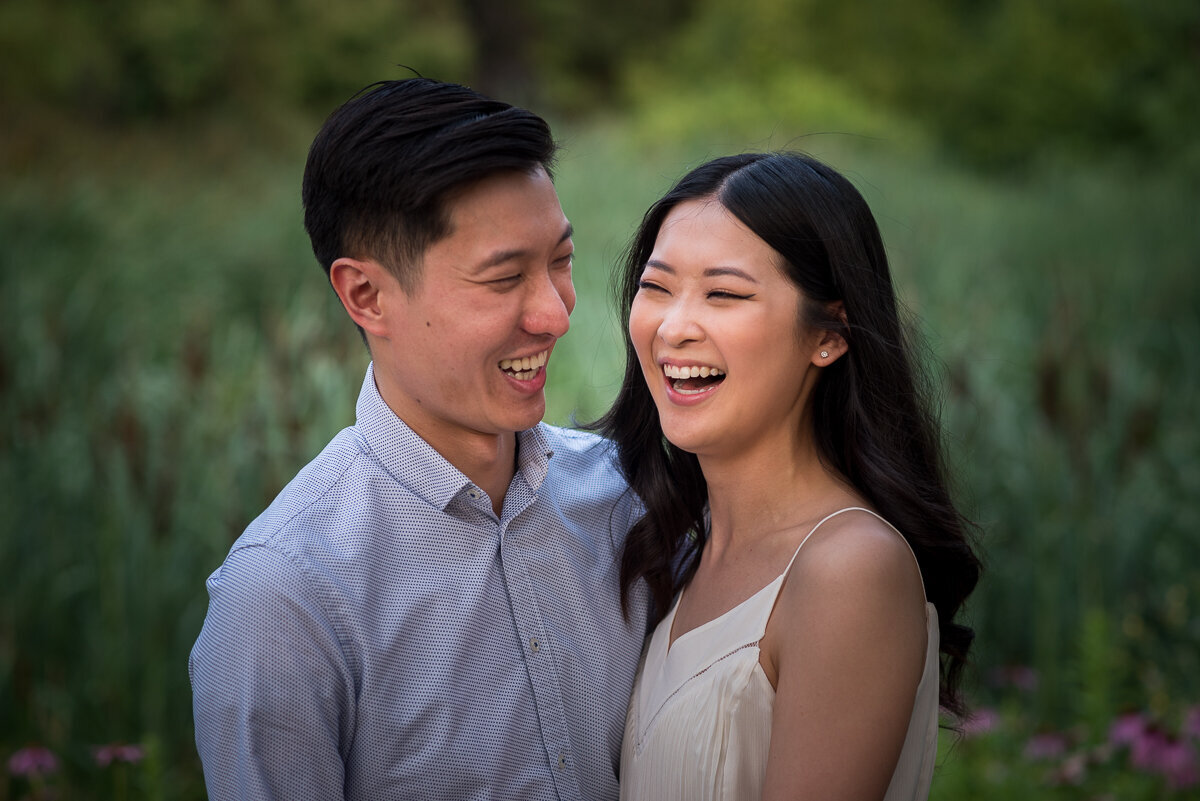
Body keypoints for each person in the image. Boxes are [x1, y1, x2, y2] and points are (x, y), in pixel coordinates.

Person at [189, 78, 650, 801]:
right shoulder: (285, 597)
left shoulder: (628, 498)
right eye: (504, 279)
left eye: (560, 261)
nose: (556, 315)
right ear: (366, 295)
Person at [600, 152, 982, 800]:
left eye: (724, 294)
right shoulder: (681, 550)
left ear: (828, 334)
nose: (674, 326)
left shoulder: (849, 568)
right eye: (657, 287)